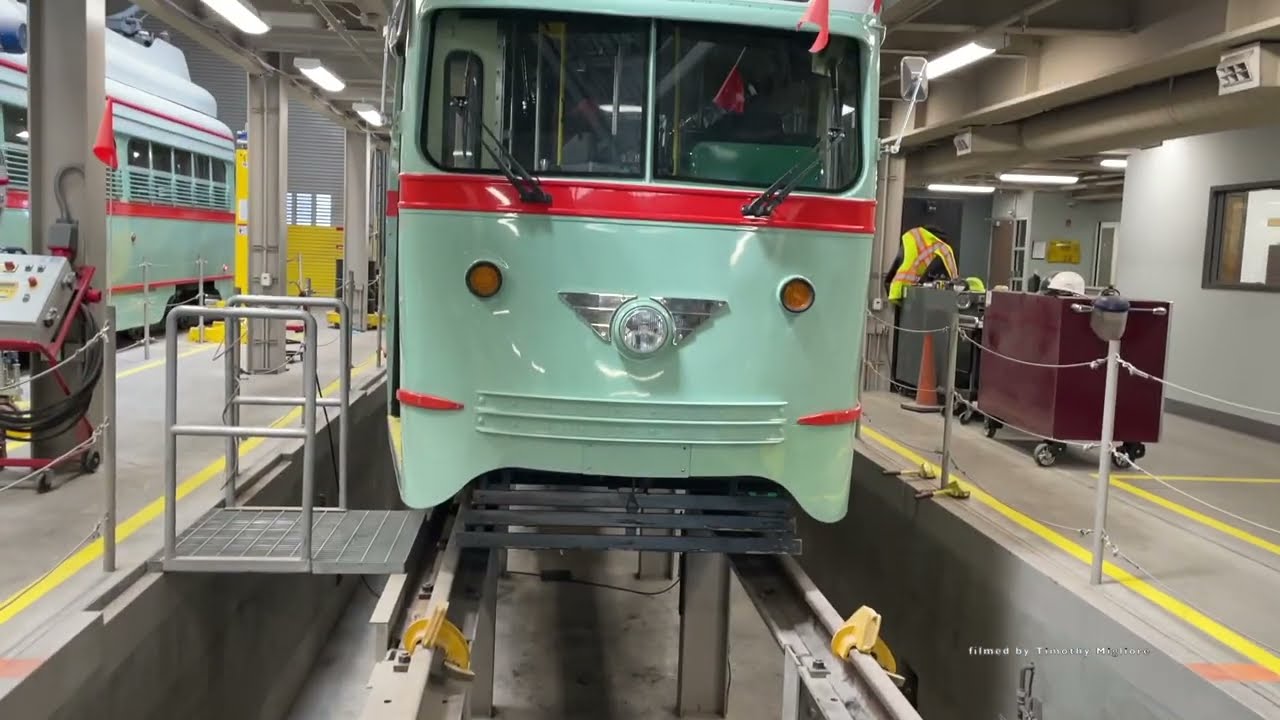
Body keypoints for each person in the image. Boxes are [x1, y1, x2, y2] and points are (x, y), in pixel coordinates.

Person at [884, 225, 959, 303]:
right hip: (919, 297)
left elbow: (898, 264)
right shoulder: (944, 248)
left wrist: (891, 287)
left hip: (901, 292)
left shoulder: (913, 236)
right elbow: (953, 277)